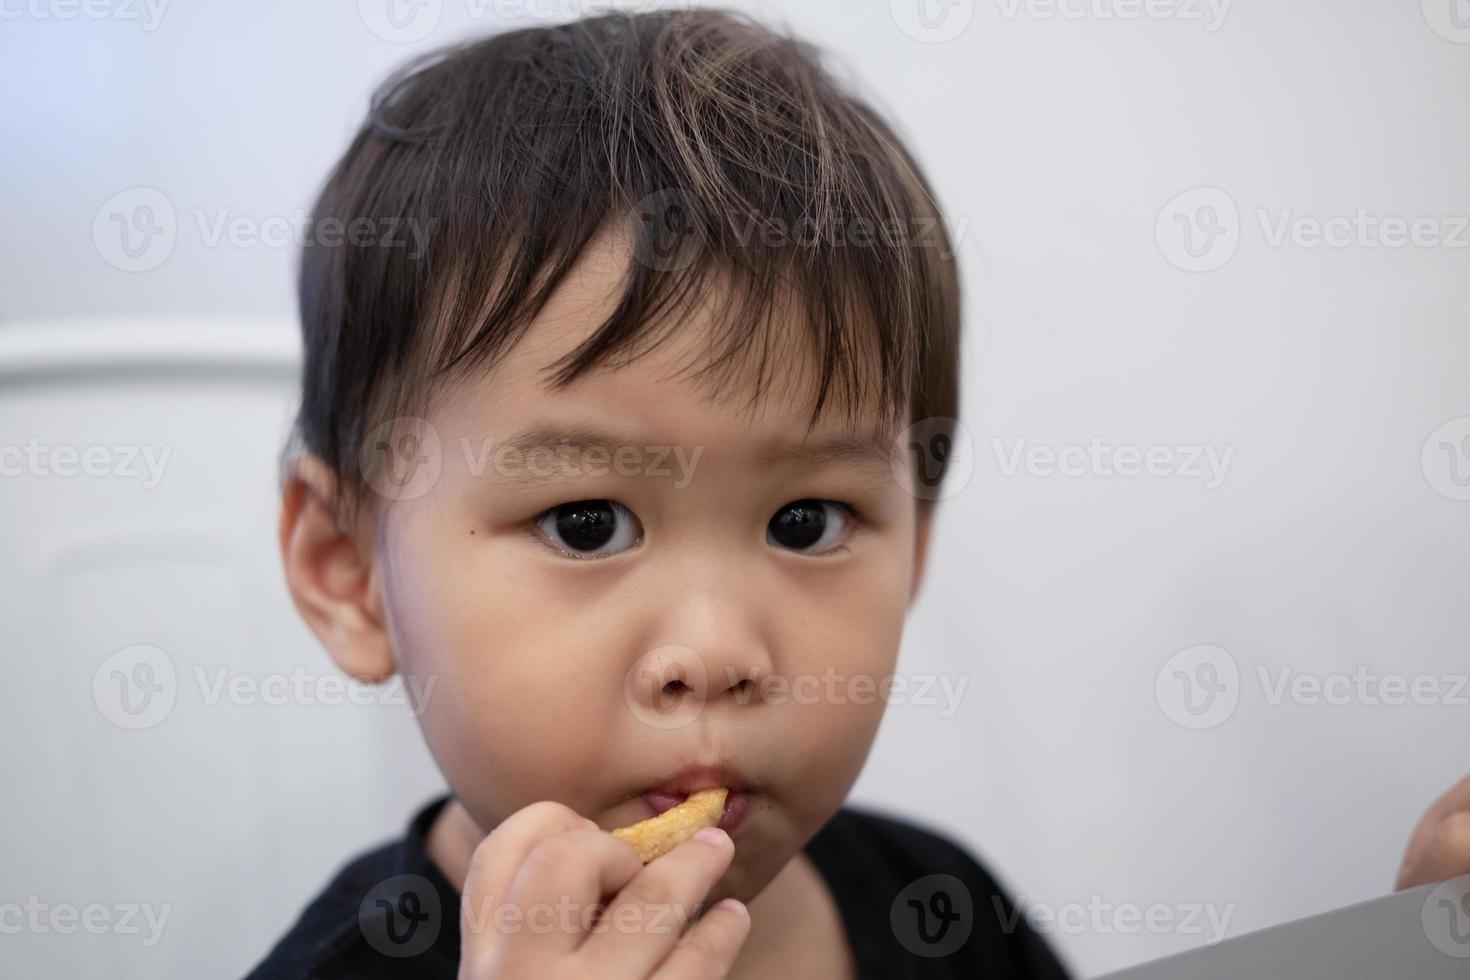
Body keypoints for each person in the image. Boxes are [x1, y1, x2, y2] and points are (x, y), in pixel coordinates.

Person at [249, 8, 1469, 978]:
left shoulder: (941, 908)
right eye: (586, 522)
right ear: (348, 570)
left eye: (806, 522)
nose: (717, 654)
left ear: (916, 548)